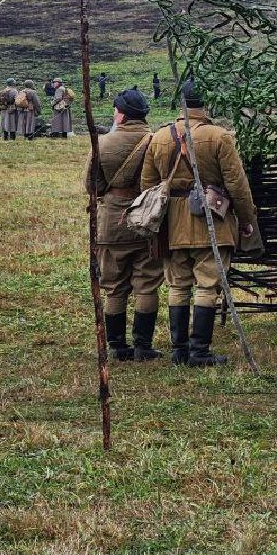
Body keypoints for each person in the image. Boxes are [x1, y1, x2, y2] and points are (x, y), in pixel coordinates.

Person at [140, 81, 257, 366]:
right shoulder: (220, 136)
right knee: (207, 285)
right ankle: (199, 352)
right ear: (207, 103)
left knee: (178, 285)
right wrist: (246, 218)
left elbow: (148, 184)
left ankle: (179, 351)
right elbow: (236, 184)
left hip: (172, 223)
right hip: (211, 221)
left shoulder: (159, 137)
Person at [86, 88, 163, 361]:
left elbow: (91, 185)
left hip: (112, 223)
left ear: (121, 115)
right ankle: (143, 346)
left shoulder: (103, 143)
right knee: (147, 283)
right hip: (147, 220)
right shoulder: (157, 141)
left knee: (114, 285)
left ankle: (117, 346)